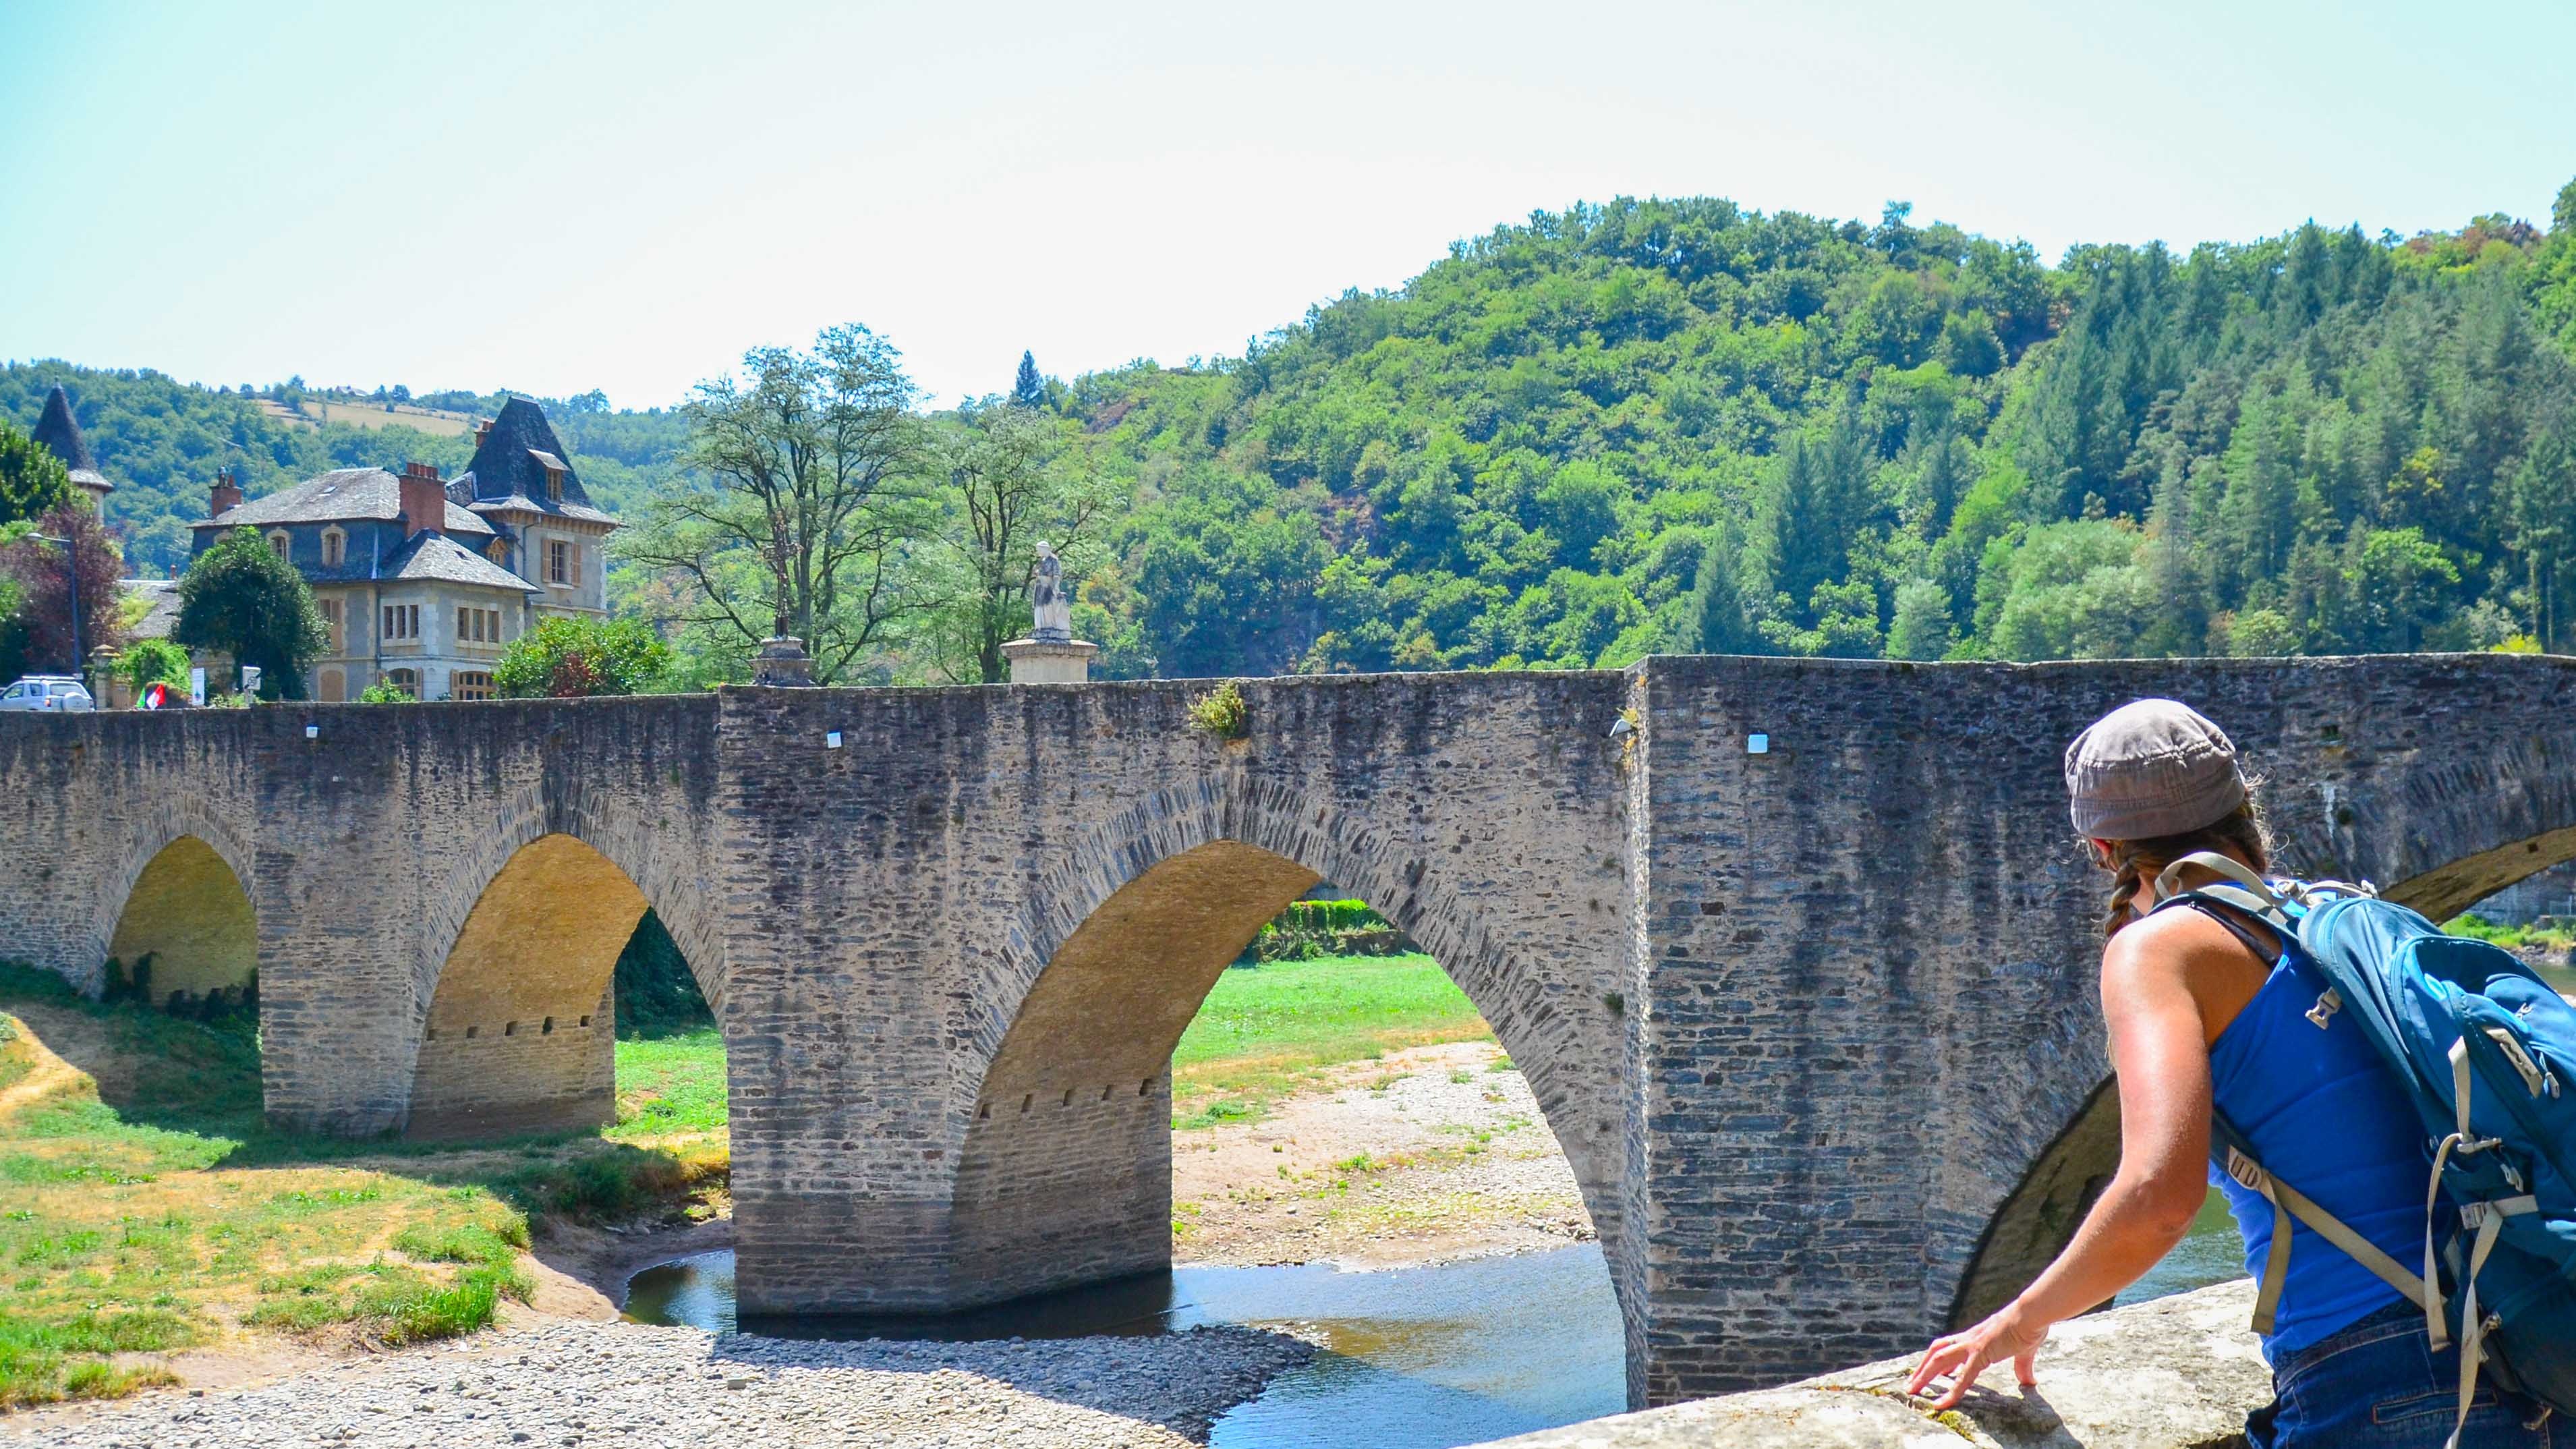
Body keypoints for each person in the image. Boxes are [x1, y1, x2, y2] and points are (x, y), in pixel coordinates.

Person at [1906, 698, 2552, 1446]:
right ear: (2244, 806)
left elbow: (2159, 1198)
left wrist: (2020, 1317)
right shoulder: (2335, 913)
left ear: (2103, 844)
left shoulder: (2161, 949)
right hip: (2521, 1341)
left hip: (2380, 1375)